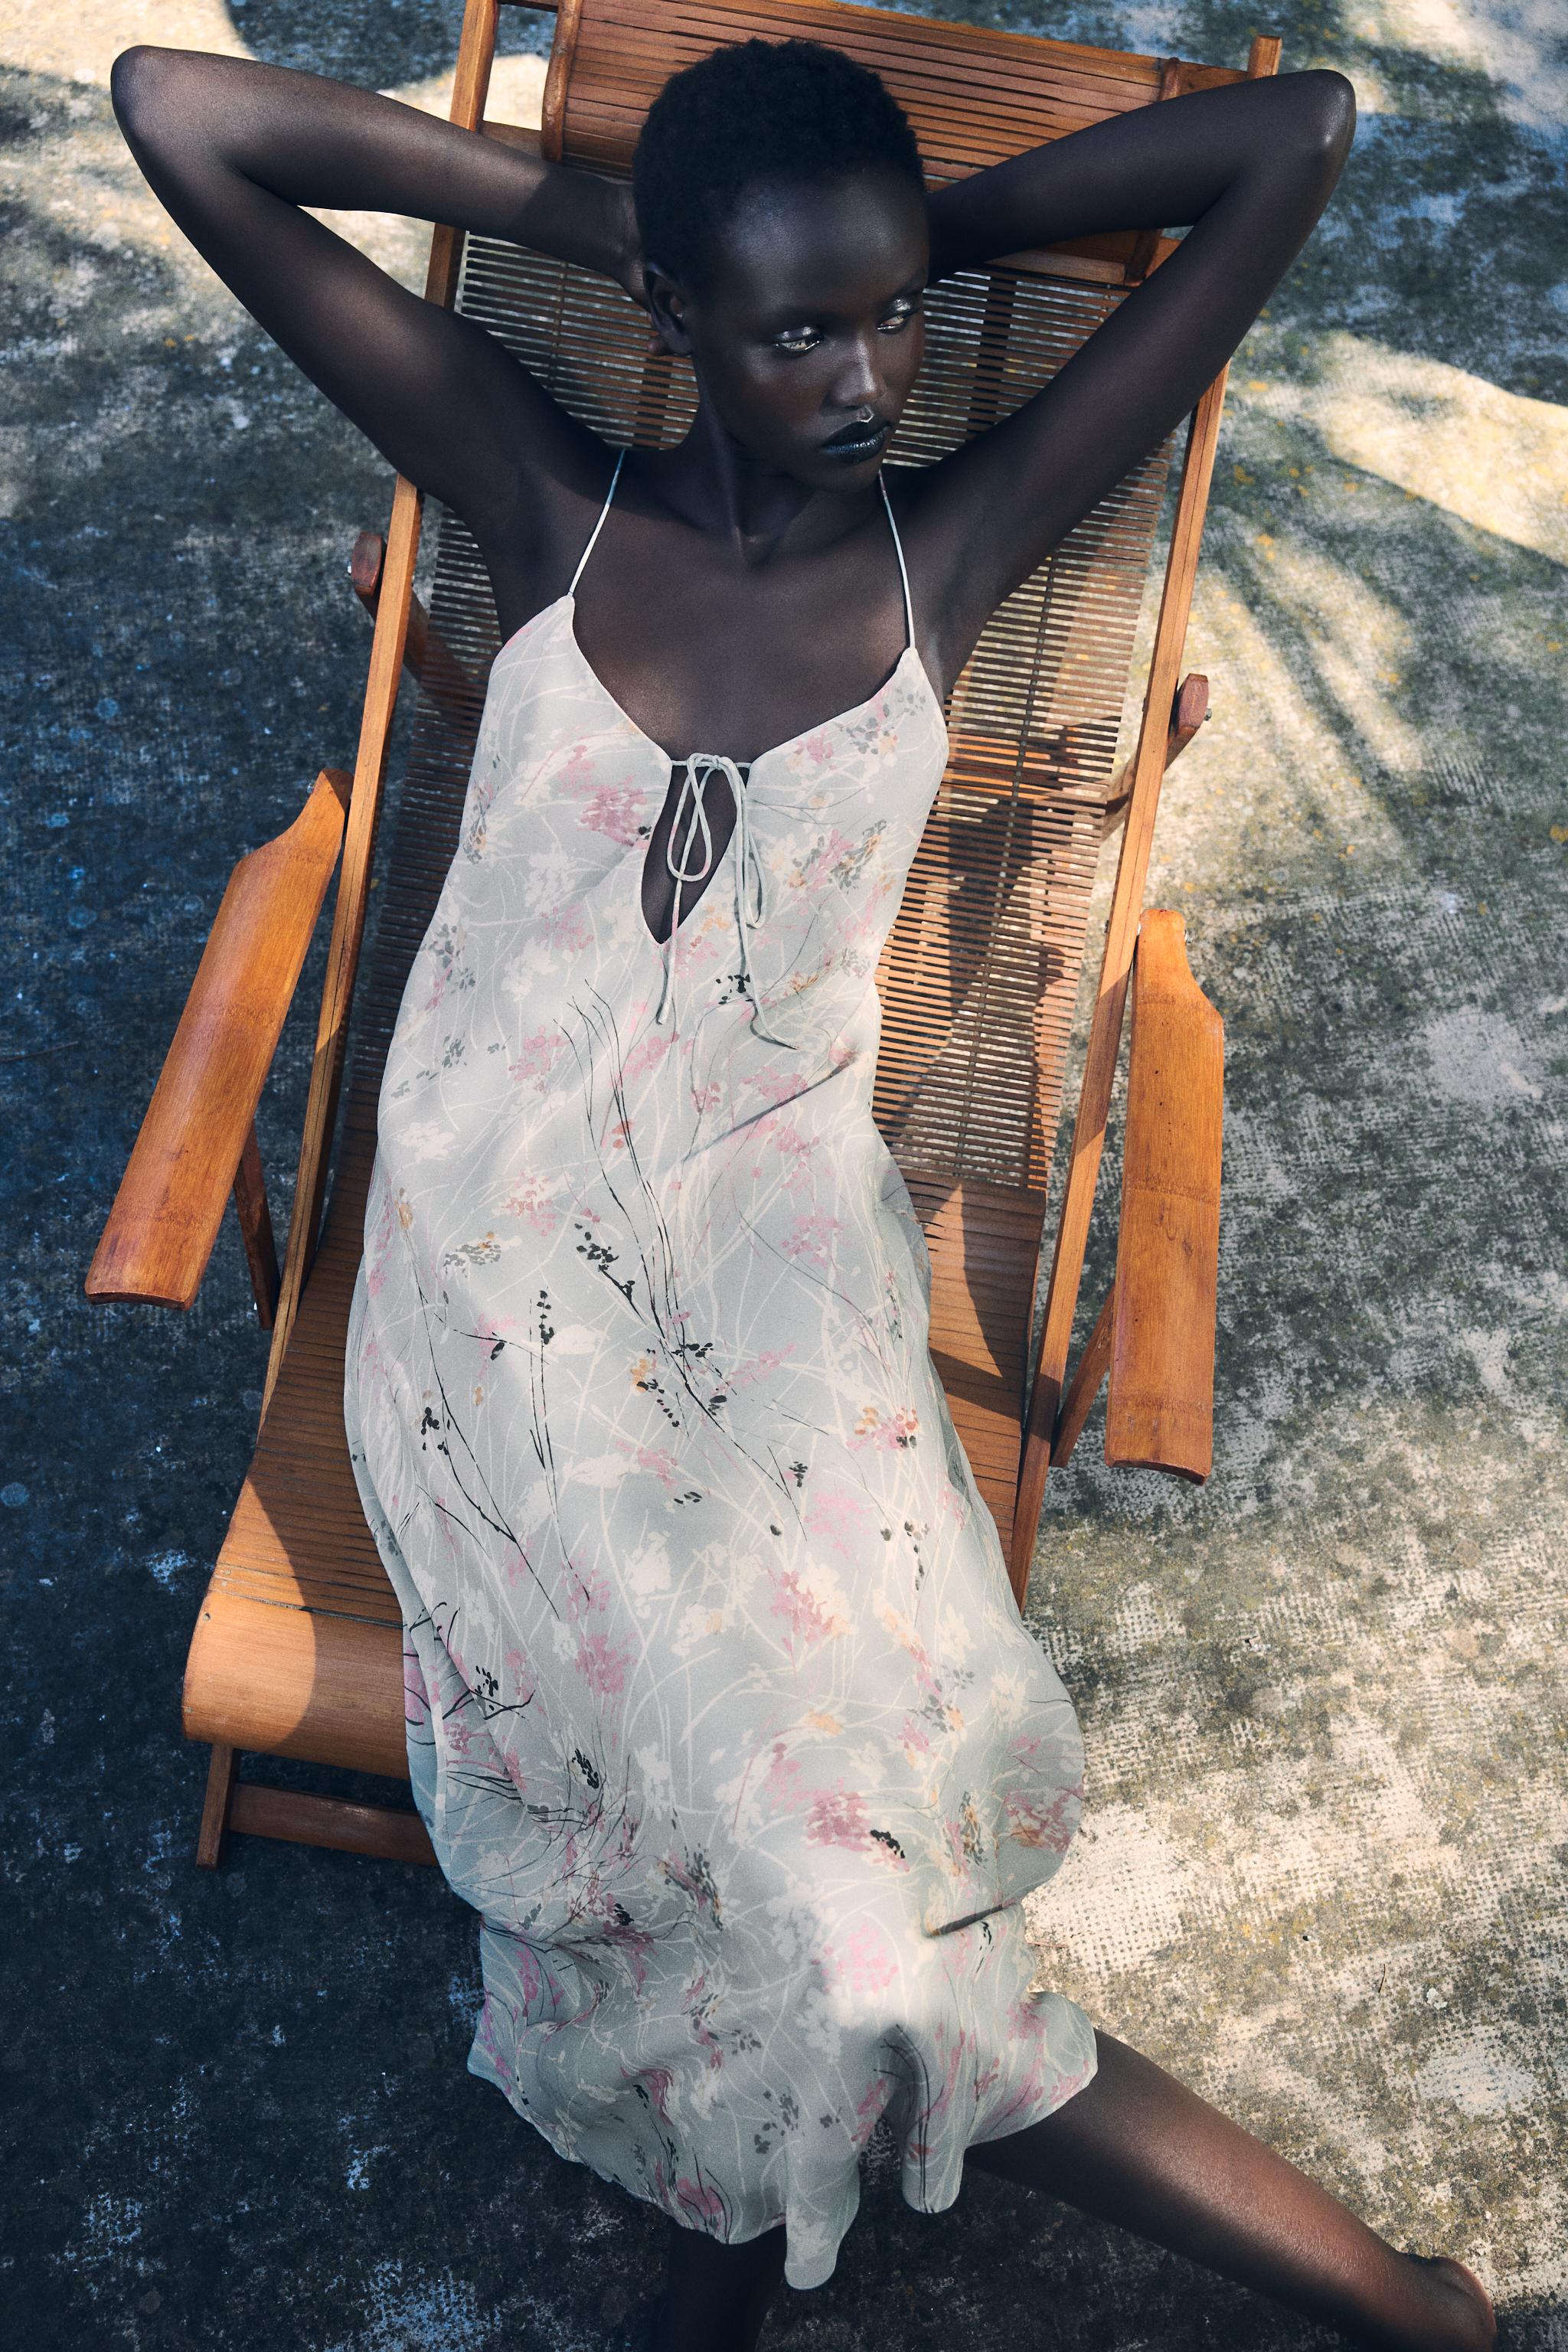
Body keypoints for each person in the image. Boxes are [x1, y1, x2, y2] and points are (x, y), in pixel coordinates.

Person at [109, 29, 1491, 2352]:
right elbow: (181, 111)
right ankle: (1406, 2310)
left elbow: (1303, 130)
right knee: (816, 1884)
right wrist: (587, 219)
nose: (869, 376)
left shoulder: (951, 540)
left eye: (896, 322)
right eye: (799, 330)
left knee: (791, 1840)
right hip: (505, 1278)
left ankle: (786, 2256)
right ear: (672, 318)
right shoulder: (544, 508)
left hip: (770, 1277)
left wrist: (889, 228)